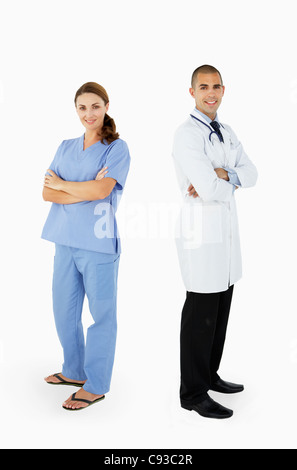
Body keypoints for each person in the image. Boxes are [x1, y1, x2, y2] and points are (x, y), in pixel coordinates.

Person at [172, 65, 257, 419]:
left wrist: (223, 173)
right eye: (203, 86)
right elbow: (206, 190)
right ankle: (192, 393)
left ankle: (209, 375)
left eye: (216, 86)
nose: (211, 92)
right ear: (191, 92)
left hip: (225, 235)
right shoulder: (186, 134)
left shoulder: (227, 130)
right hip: (202, 235)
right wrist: (221, 180)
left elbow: (253, 174)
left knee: (220, 312)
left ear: (224, 90)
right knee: (200, 315)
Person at [42, 82, 130, 411]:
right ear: (76, 110)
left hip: (97, 244)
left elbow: (101, 192)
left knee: (102, 316)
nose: (88, 113)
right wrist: (85, 187)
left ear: (106, 106)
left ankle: (96, 385)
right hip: (64, 240)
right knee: (63, 312)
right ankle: (74, 372)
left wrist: (65, 185)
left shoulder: (116, 148)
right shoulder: (65, 146)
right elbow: (46, 194)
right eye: (82, 108)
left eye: (95, 106)